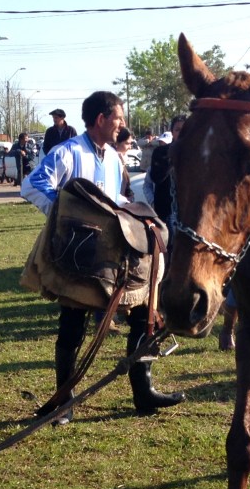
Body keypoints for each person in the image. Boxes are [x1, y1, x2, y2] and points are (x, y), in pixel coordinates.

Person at [22, 90, 183, 420]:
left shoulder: (112, 157)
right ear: (100, 119)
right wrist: (68, 215)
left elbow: (116, 198)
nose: (122, 124)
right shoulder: (67, 152)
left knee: (142, 312)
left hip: (115, 255)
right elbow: (32, 185)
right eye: (119, 118)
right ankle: (64, 401)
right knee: (72, 324)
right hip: (78, 255)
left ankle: (143, 392)